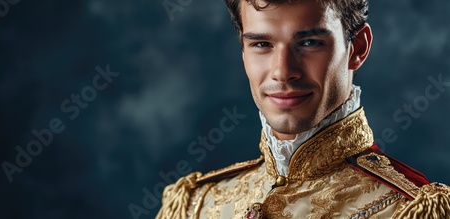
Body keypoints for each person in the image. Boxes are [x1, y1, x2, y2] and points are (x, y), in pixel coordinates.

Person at [156, 0, 450, 218]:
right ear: (243, 52)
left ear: (357, 48)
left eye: (309, 42)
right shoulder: (195, 205)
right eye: (261, 44)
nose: (283, 72)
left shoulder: (410, 210)